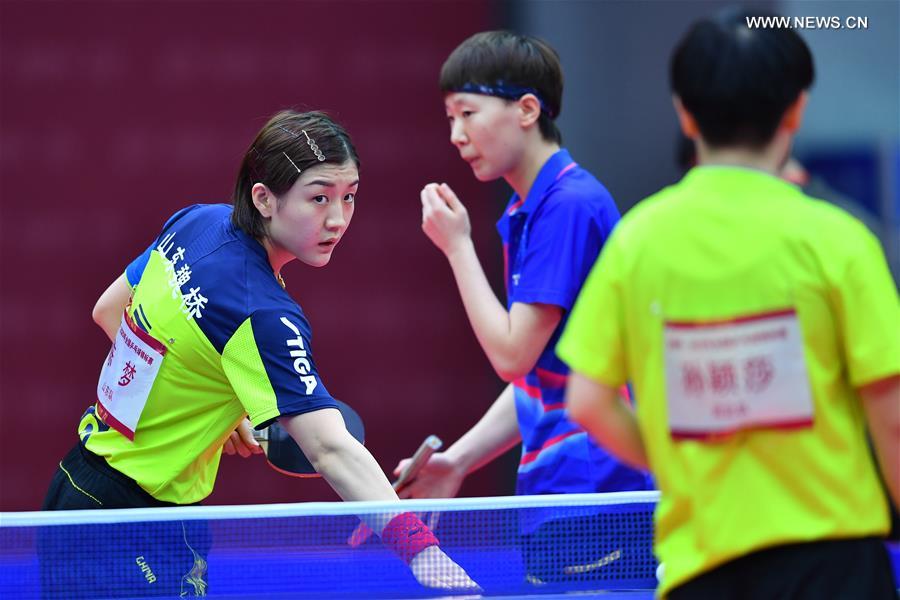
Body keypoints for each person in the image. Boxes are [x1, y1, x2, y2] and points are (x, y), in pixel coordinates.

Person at [39, 110, 476, 598]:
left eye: (348, 197)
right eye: (318, 198)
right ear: (264, 198)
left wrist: (205, 410)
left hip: (75, 489)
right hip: (136, 527)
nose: (337, 219)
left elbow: (110, 311)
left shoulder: (194, 222)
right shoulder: (263, 314)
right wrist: (421, 551)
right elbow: (330, 447)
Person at [558, 10, 899, 599]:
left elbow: (587, 402)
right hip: (836, 566)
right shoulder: (839, 239)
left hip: (704, 569)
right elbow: (891, 415)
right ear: (796, 109)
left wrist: (682, 468)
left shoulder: (639, 241)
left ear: (684, 112)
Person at [395, 31, 654, 584]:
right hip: (563, 496)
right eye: (448, 118)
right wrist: (459, 461)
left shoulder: (569, 205)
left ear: (527, 109)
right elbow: (543, 376)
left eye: (467, 113)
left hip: (599, 495)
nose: (456, 136)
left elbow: (513, 356)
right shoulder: (530, 208)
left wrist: (458, 246)